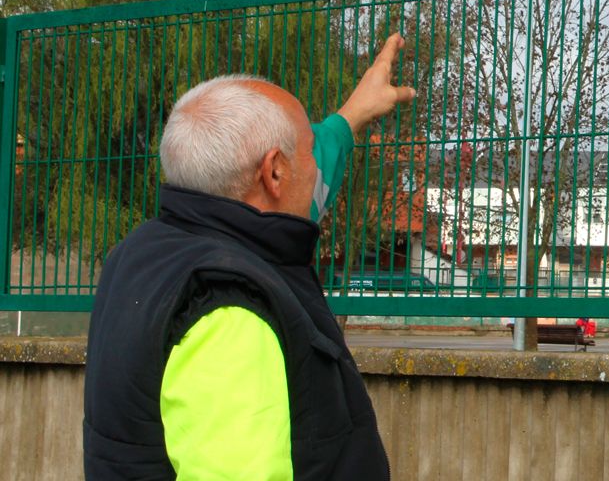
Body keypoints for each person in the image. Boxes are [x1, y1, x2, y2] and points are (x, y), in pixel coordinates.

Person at [83, 35, 416, 481]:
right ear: (275, 171)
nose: (318, 163)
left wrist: (352, 114)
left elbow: (303, 193)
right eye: (308, 148)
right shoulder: (229, 305)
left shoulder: (145, 251)